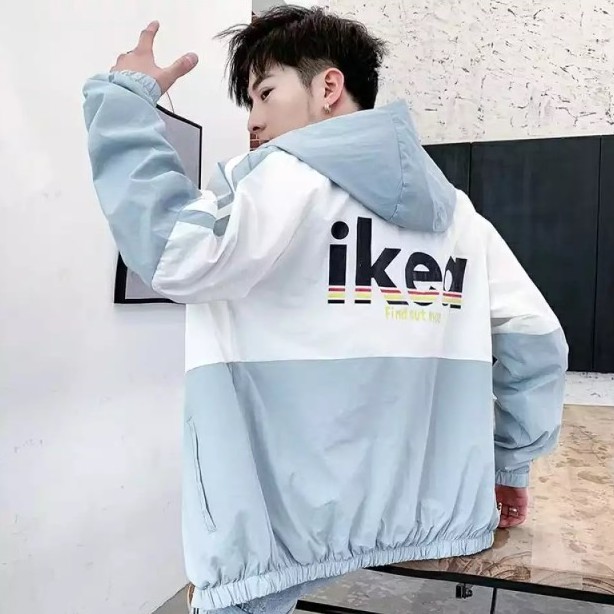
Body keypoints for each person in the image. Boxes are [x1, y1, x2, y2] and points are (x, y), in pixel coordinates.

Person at [82, 6, 568, 614]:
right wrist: (512, 465)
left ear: (328, 87)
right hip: (435, 517)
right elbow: (537, 342)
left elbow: (173, 251)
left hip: (278, 536)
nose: (253, 120)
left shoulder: (280, 180)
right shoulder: (461, 217)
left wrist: (124, 104)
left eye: (264, 93)